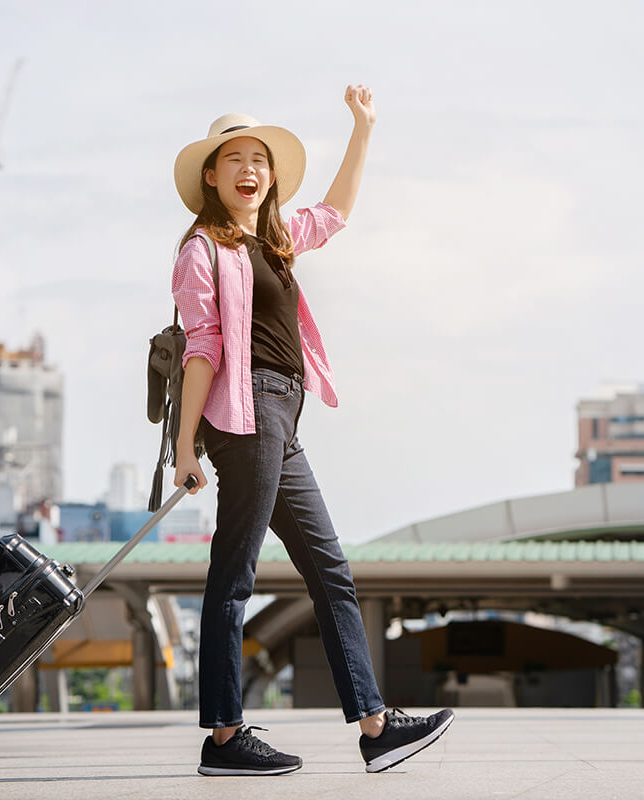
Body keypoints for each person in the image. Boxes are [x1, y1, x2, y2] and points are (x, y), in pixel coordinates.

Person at [169, 85, 454, 776]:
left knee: (331, 570)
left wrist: (363, 128)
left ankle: (375, 726)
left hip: (283, 417)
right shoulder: (202, 249)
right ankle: (226, 738)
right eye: (233, 158)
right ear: (211, 174)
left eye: (259, 159)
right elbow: (200, 348)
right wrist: (185, 446)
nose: (248, 169)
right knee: (234, 575)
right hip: (245, 415)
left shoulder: (273, 240)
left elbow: (335, 213)